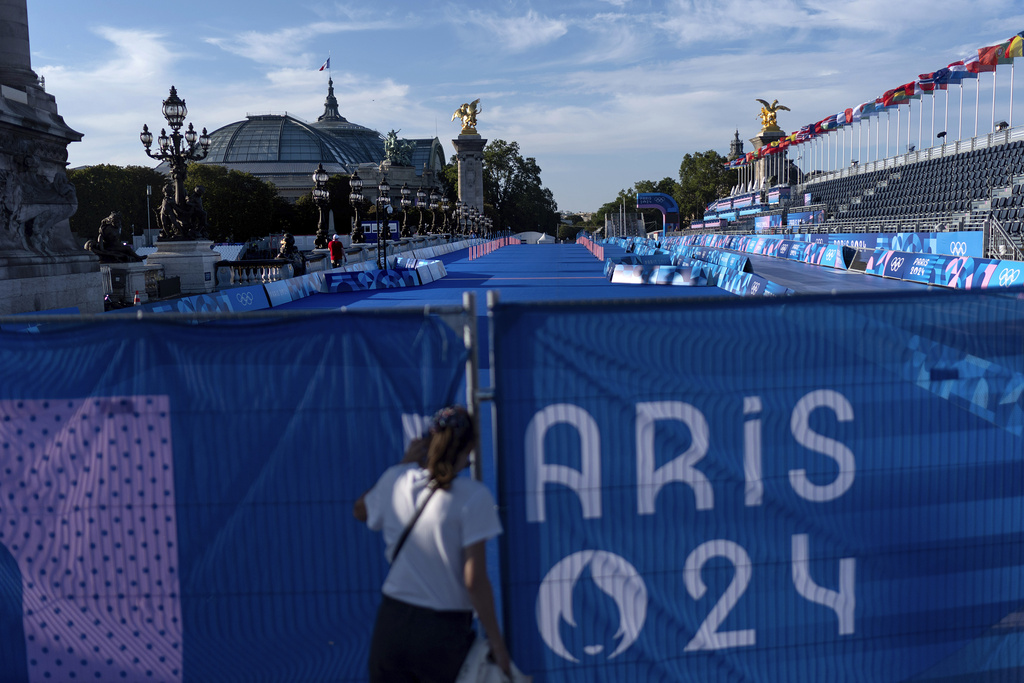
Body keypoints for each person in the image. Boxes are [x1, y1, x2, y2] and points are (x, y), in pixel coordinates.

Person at [354, 406, 510, 682]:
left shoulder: (396, 480)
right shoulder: (473, 497)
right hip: (443, 633)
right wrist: (497, 644)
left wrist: (403, 464)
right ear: (471, 447)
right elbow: (474, 581)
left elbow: (361, 511)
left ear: (428, 441)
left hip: (391, 626)